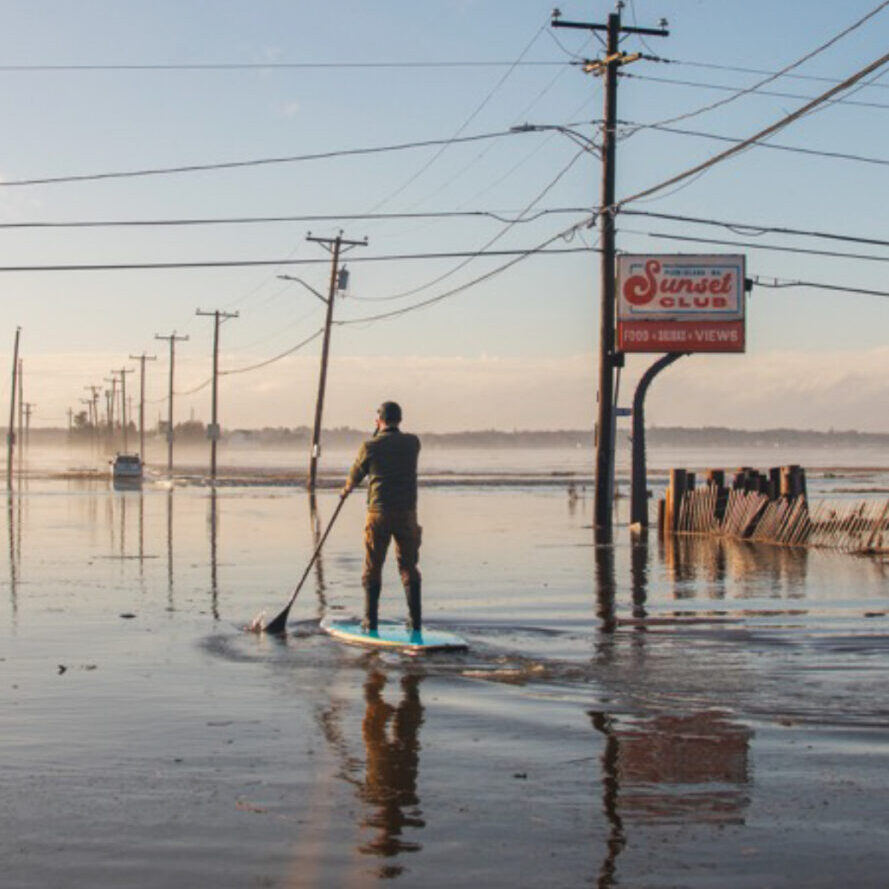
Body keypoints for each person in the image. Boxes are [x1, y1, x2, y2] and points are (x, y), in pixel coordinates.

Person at [342, 401, 422, 633]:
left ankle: (370, 620)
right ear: (400, 419)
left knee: (373, 566)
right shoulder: (413, 443)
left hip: (378, 513)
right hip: (407, 513)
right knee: (409, 567)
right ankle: (415, 622)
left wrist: (345, 490)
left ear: (379, 421)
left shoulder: (370, 446)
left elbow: (356, 473)